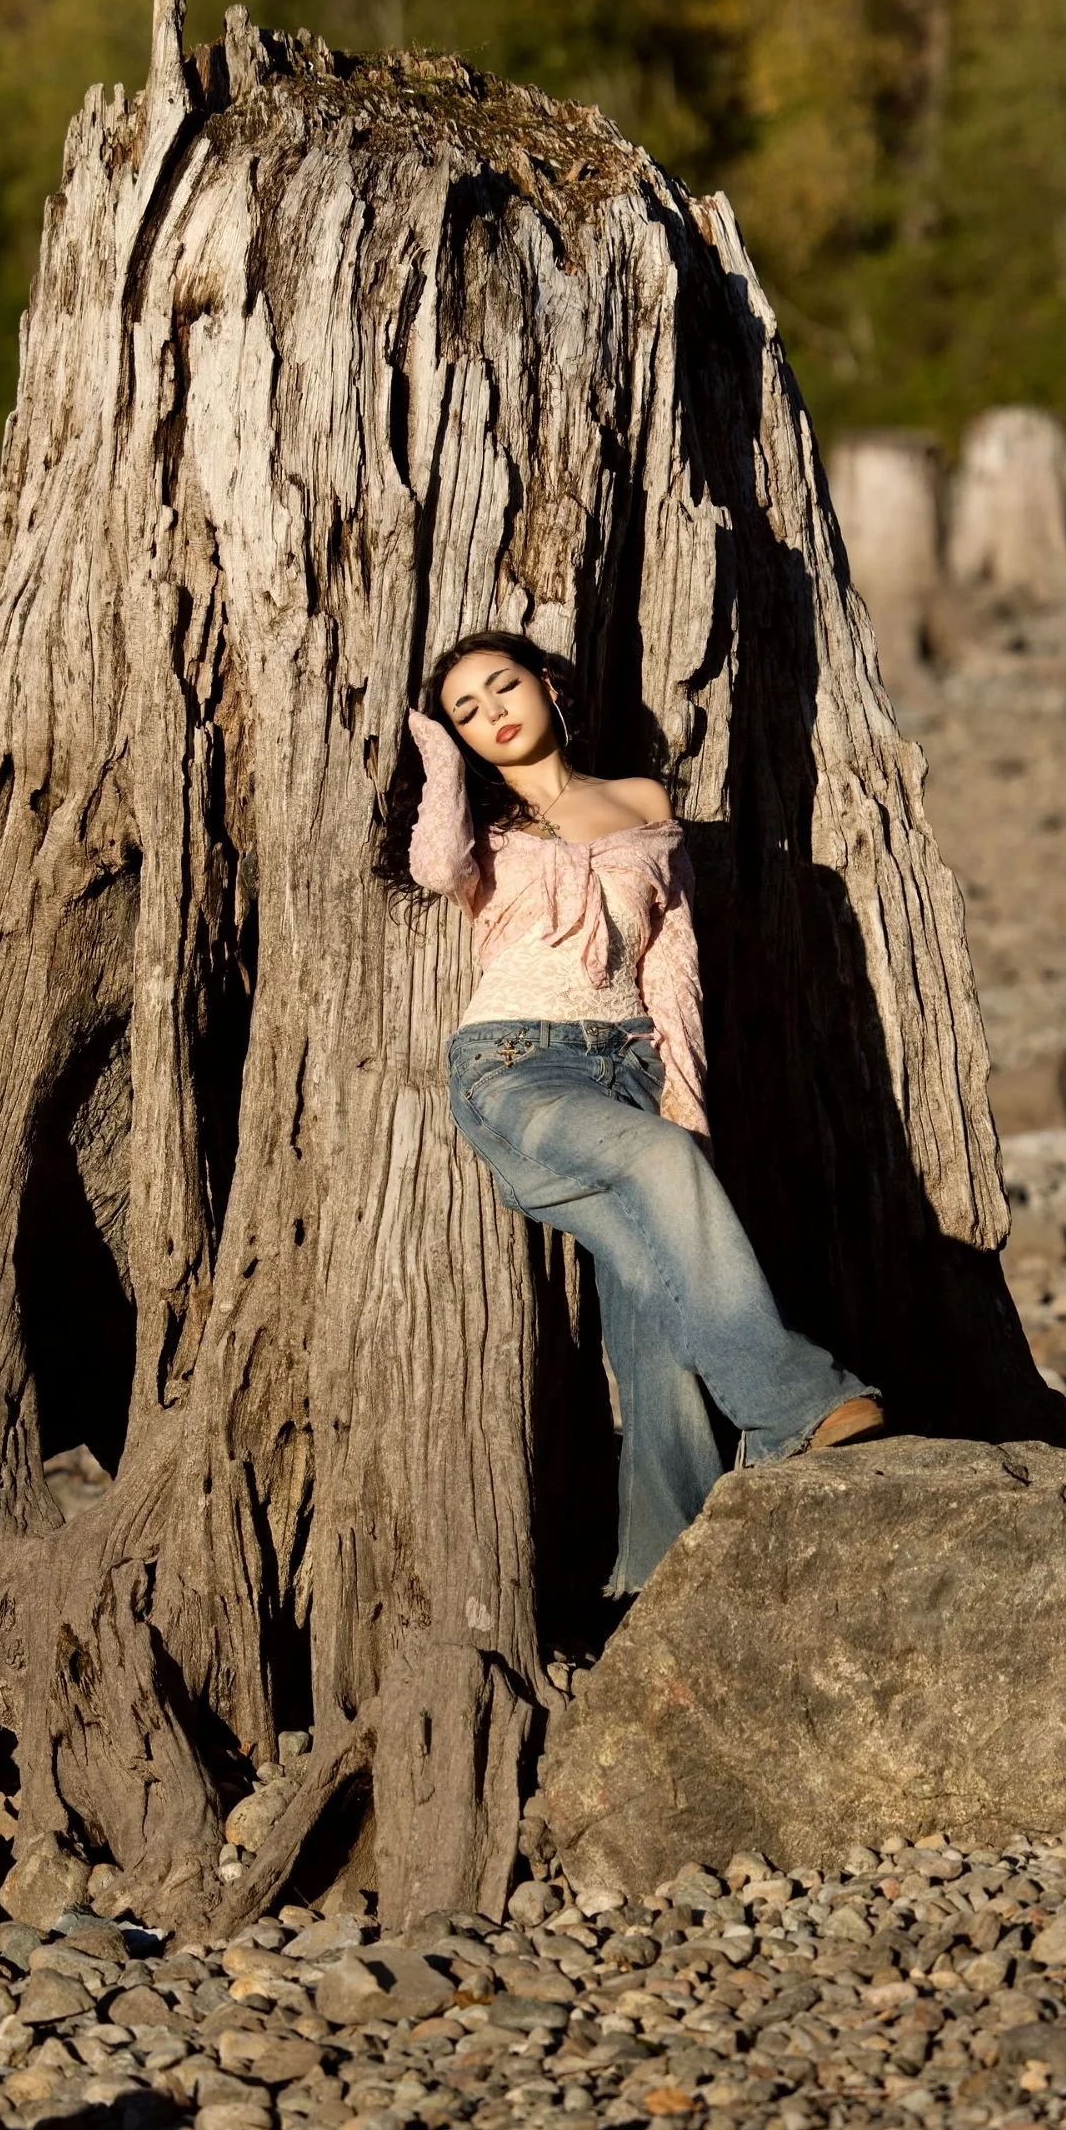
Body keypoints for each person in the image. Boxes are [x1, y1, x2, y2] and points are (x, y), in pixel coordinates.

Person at [374, 627, 882, 1597]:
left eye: (501, 689)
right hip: (516, 1071)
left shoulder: (642, 805)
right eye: (466, 713)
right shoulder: (481, 831)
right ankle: (794, 1407)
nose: (492, 716)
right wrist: (436, 758)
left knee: (656, 1327)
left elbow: (672, 968)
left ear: (549, 684)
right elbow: (437, 869)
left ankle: (655, 1580)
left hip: (630, 1069)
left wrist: (683, 1098)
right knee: (660, 1178)